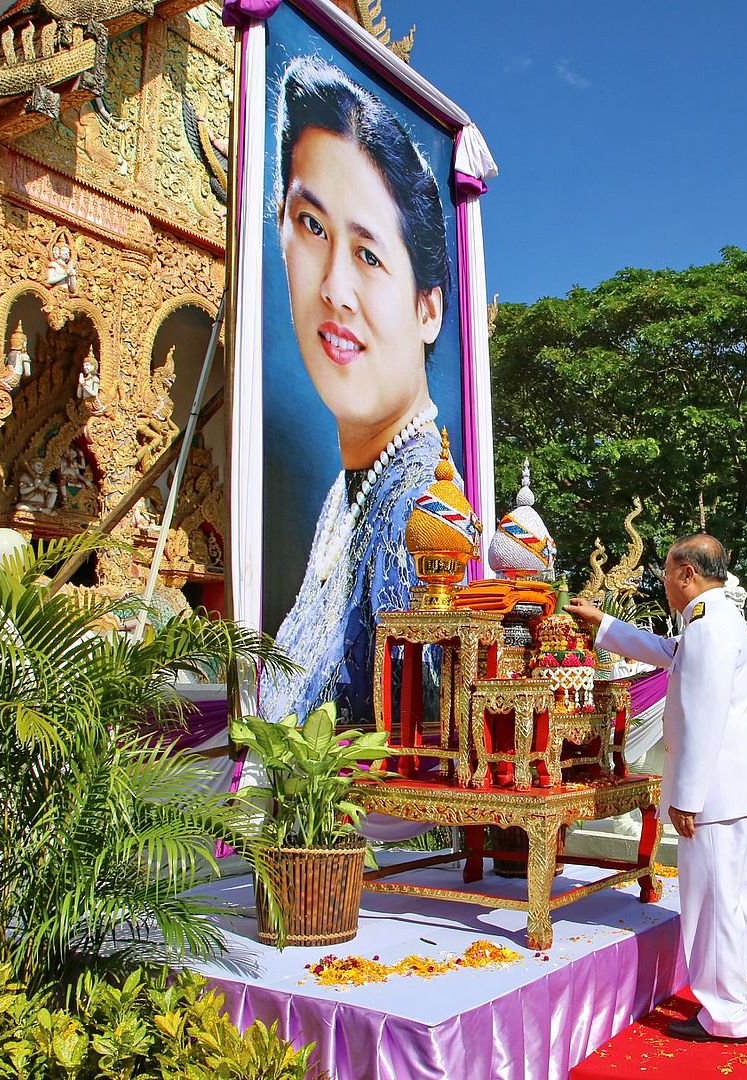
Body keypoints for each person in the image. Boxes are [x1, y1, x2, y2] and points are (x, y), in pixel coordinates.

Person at [262, 55, 452, 726]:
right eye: (312, 226)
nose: (333, 288)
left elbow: (424, 735)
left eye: (370, 256)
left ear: (428, 308)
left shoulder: (418, 512)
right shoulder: (350, 494)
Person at [566, 534, 747, 1044]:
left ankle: (725, 1014)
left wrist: (685, 797)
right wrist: (605, 625)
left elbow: (702, 720)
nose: (662, 582)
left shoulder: (708, 628)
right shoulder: (720, 621)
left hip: (716, 795)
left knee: (712, 905)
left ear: (687, 573)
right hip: (744, 791)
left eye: (665, 572)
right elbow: (668, 653)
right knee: (744, 899)